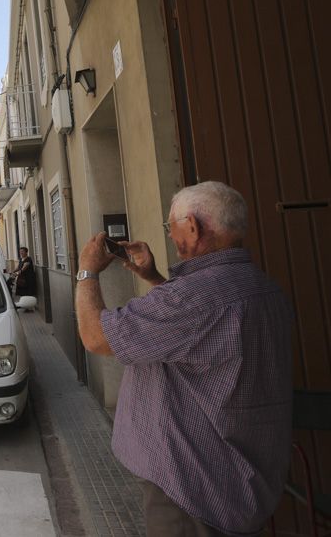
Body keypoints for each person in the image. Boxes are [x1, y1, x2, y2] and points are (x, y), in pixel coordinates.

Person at [74, 181, 293, 536]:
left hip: (191, 490)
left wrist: (87, 272)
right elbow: (200, 334)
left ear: (192, 227)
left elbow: (95, 338)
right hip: (245, 478)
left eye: (169, 226)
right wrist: (155, 278)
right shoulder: (265, 288)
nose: (170, 234)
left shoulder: (190, 299)